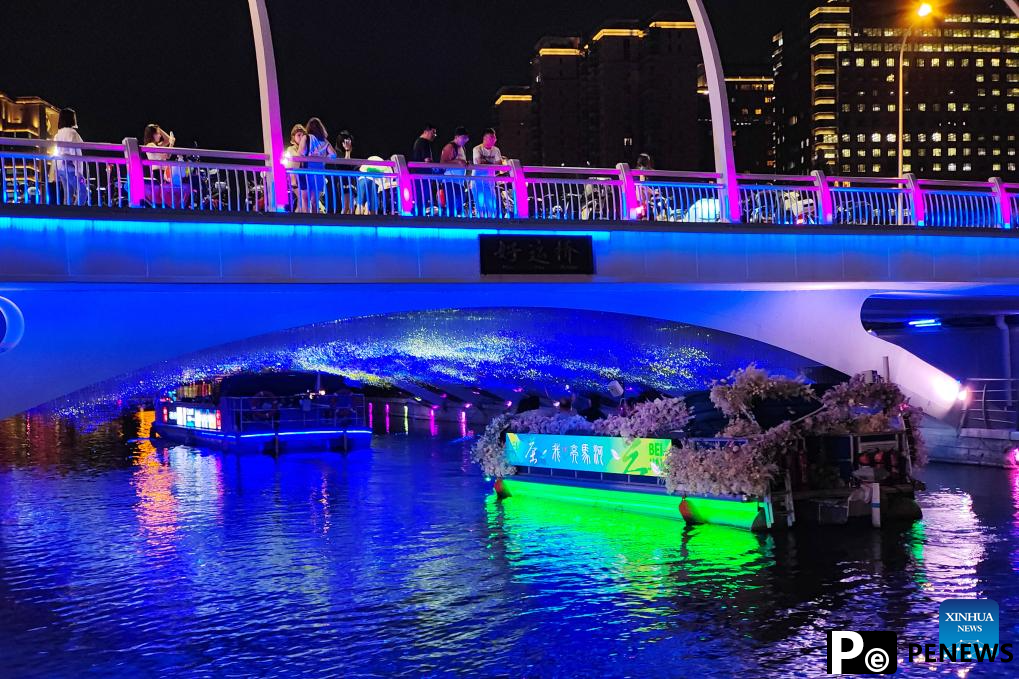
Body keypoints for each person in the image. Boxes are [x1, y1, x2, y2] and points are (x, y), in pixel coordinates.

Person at [295, 117, 336, 213]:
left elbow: (300, 153)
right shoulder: (325, 141)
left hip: (306, 170)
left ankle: (306, 221)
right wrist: (323, 158)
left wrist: (309, 155)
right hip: (319, 172)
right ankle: (315, 220)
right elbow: (333, 154)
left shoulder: (306, 137)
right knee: (314, 201)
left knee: (305, 199)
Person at [52, 108, 87, 206]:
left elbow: (57, 151)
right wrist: (78, 170)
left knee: (68, 195)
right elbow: (76, 149)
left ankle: (67, 215)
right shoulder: (72, 133)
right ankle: (77, 212)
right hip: (71, 167)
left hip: (61, 168)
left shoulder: (58, 134)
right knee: (83, 192)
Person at [142, 123, 178, 206]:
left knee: (164, 195)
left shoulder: (157, 145)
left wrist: (158, 128)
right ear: (152, 135)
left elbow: (168, 139)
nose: (160, 136)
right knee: (160, 196)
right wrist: (171, 144)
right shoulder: (150, 145)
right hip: (157, 173)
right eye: (157, 133)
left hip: (162, 173)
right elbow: (166, 155)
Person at [472, 128, 504, 218]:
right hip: (477, 181)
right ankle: (480, 223)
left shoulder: (496, 150)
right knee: (480, 205)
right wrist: (493, 164)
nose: (494, 140)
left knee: (492, 205)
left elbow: (500, 164)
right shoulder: (477, 149)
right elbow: (479, 163)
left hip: (490, 182)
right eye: (491, 138)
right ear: (485, 138)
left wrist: (486, 163)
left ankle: (492, 223)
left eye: (494, 138)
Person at [439, 126, 470, 217]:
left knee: (460, 204)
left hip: (459, 182)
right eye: (463, 138)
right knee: (451, 205)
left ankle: (457, 223)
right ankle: (449, 223)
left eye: (466, 138)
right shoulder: (450, 147)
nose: (465, 140)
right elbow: (442, 163)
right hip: (449, 181)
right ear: (456, 137)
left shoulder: (462, 148)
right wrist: (457, 162)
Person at [411, 124, 438, 215]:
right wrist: (436, 169)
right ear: (426, 131)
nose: (434, 135)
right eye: (433, 132)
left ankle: (417, 216)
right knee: (423, 197)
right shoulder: (424, 142)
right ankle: (420, 217)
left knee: (419, 197)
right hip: (423, 176)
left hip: (416, 175)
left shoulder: (417, 142)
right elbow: (427, 161)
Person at [334, 130, 356, 213]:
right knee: (346, 206)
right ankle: (340, 224)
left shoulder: (349, 152)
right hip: (343, 181)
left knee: (351, 208)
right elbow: (346, 164)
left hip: (351, 181)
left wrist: (348, 151)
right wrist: (347, 150)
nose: (348, 143)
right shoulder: (337, 153)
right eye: (346, 141)